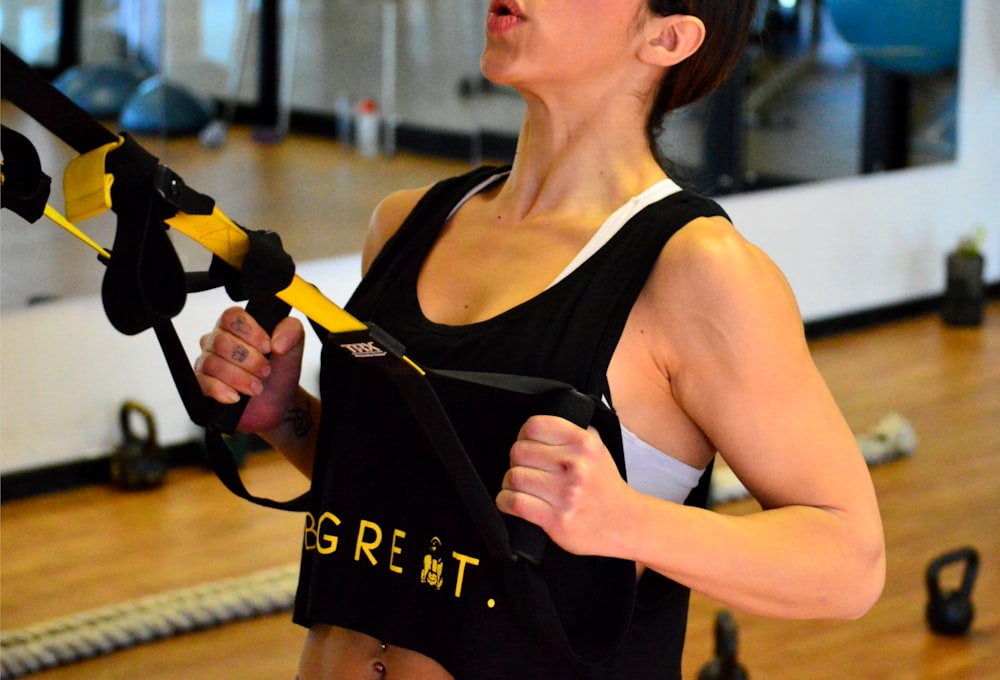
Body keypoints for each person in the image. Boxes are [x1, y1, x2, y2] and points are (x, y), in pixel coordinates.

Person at [195, 0, 885, 677]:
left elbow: (850, 562)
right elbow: (426, 496)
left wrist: (626, 524)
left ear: (667, 38)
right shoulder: (406, 225)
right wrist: (284, 418)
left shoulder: (697, 270)